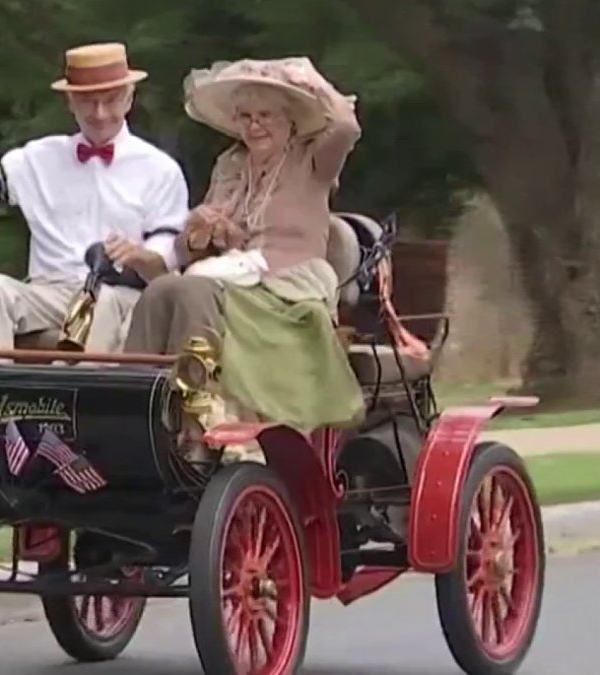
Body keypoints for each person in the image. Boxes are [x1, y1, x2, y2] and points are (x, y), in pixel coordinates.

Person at [124, 57, 430, 443]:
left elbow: (347, 128)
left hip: (291, 287)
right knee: (161, 290)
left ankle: (199, 413)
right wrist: (200, 233)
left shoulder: (312, 159)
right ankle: (134, 408)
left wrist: (310, 80)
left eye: (266, 115)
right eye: (246, 116)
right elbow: (192, 255)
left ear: (290, 119)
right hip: (232, 278)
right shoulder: (230, 165)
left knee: (191, 290)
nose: (255, 125)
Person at [0, 44, 189, 354]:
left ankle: (75, 397)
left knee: (106, 303)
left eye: (110, 100)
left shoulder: (160, 169)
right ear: (70, 101)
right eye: (87, 101)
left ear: (129, 97)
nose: (99, 114)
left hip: (120, 296)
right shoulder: (39, 157)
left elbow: (164, 266)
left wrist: (136, 255)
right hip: (49, 292)